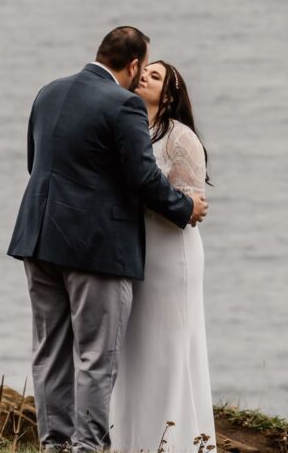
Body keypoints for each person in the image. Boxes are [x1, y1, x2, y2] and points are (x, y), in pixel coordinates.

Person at [7, 26, 208, 453]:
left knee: (49, 352)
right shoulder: (124, 106)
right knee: (97, 359)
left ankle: (54, 445)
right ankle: (87, 449)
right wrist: (183, 207)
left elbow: (35, 161)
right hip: (94, 250)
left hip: (38, 240)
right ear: (133, 65)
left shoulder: (49, 92)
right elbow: (142, 177)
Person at [110, 60, 215, 453]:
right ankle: (133, 441)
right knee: (136, 347)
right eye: (143, 73)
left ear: (169, 95)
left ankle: (176, 442)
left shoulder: (179, 137)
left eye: (154, 77)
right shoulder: (130, 130)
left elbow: (191, 204)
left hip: (172, 254)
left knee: (169, 347)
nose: (144, 78)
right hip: (135, 252)